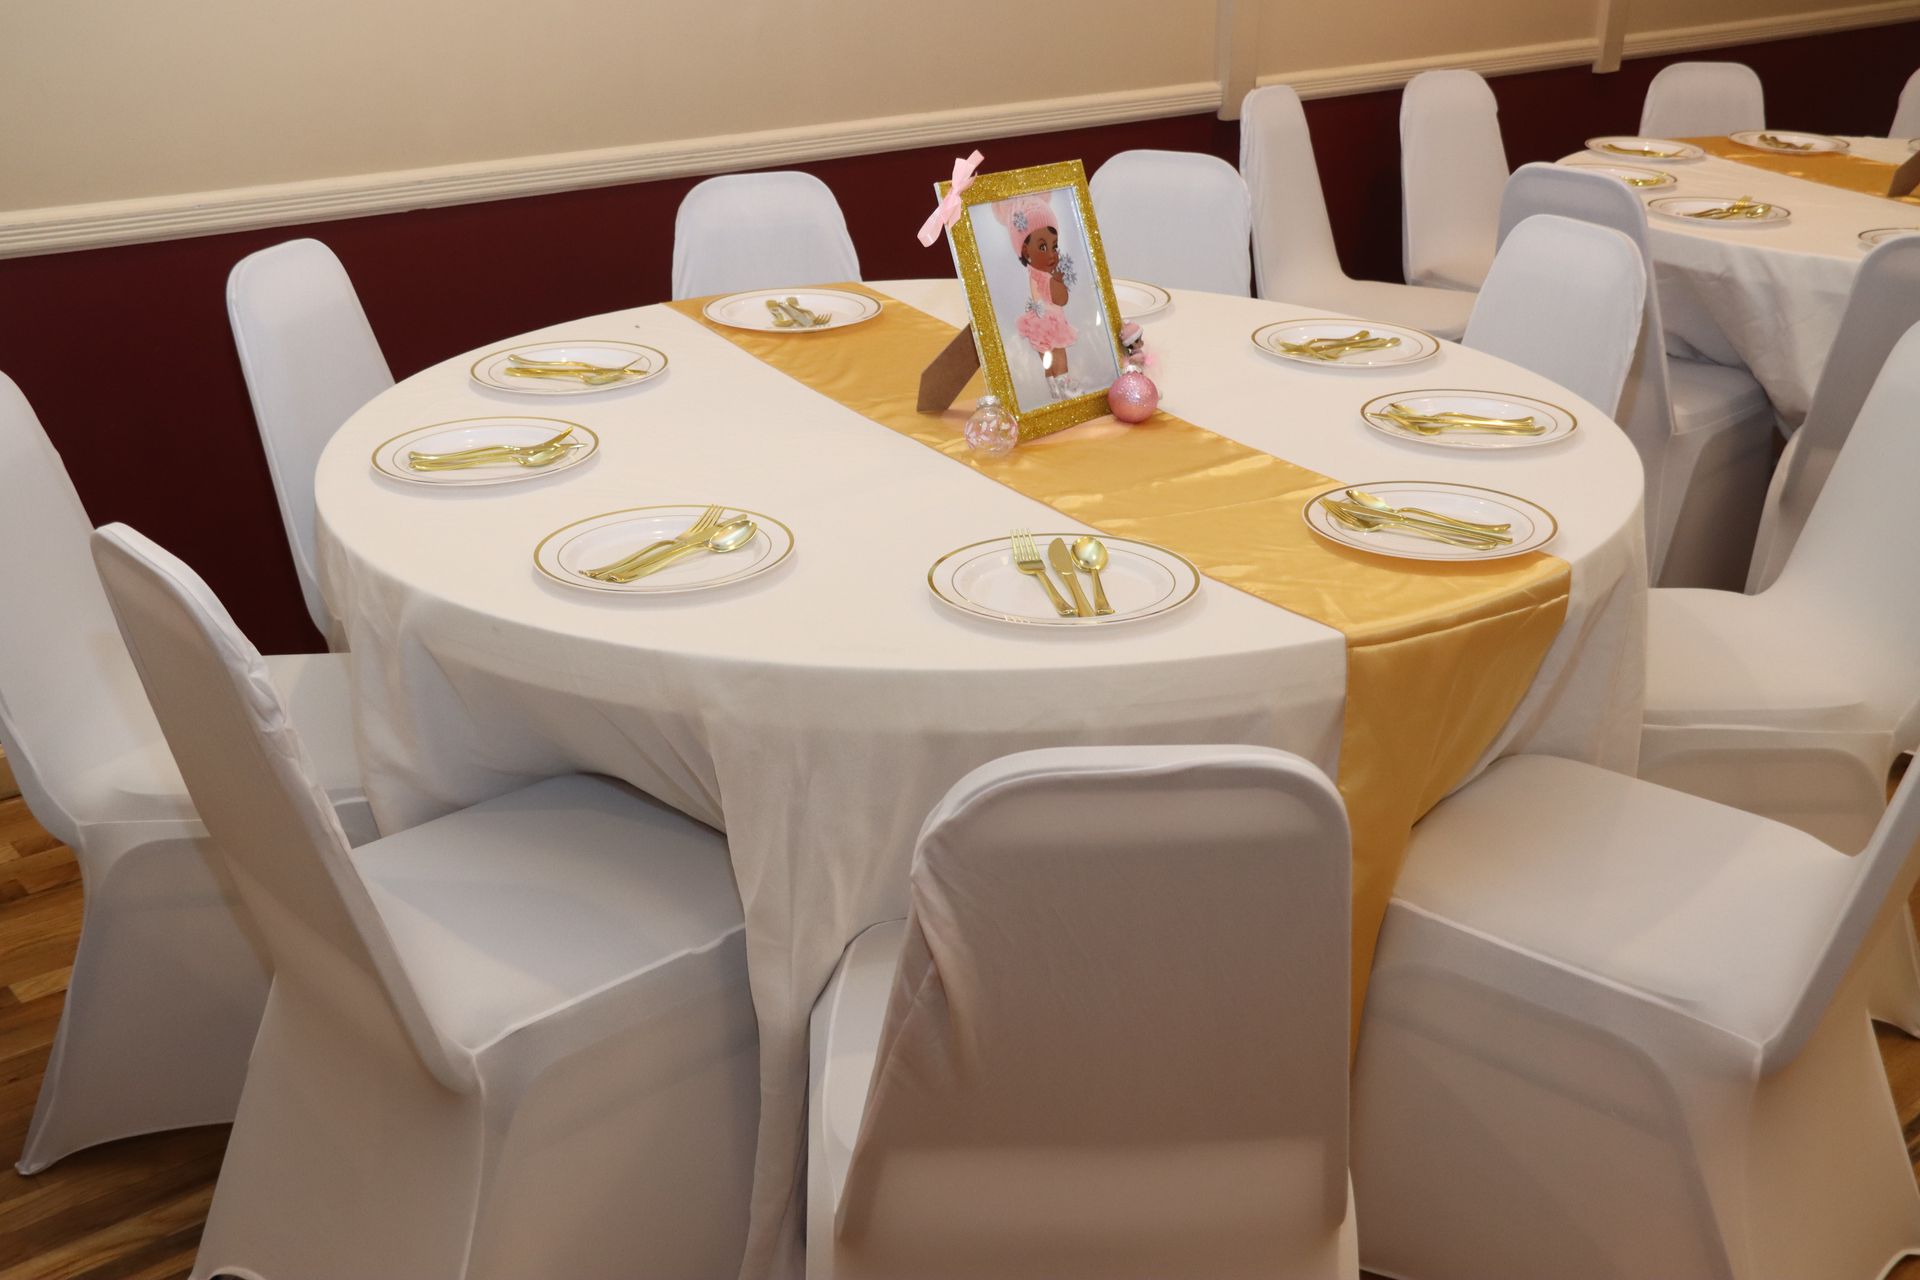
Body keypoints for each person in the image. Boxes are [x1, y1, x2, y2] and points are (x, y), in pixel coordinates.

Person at [994, 193, 1081, 398]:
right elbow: (1058, 298)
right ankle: (1064, 386)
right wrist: (1058, 281)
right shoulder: (1041, 275)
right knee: (1058, 351)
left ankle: (1054, 388)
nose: (1051, 253)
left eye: (1054, 246)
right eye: (1043, 247)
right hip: (1049, 318)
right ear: (1025, 251)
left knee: (1048, 355)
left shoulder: (1037, 272)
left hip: (1039, 319)